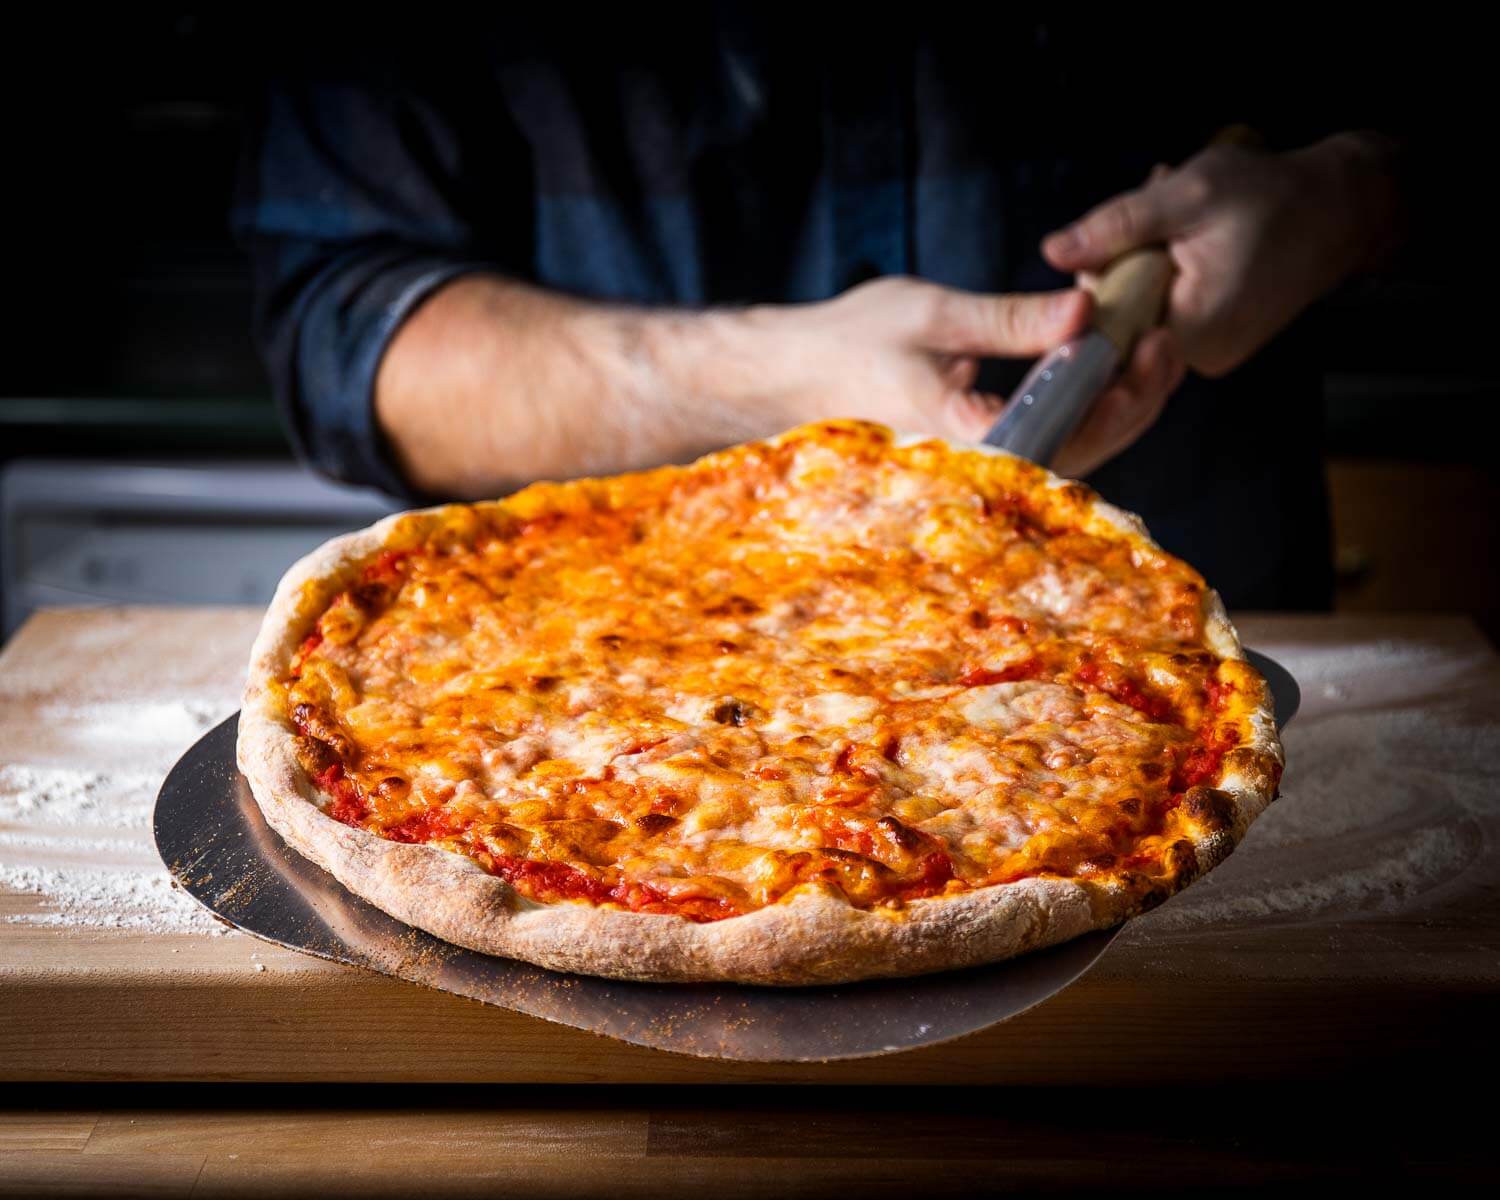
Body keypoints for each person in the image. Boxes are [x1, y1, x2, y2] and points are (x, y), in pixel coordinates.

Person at [233, 15, 1406, 610]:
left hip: (1180, 643)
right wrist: (776, 378)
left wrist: (1350, 191)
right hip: (582, 709)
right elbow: (345, 329)